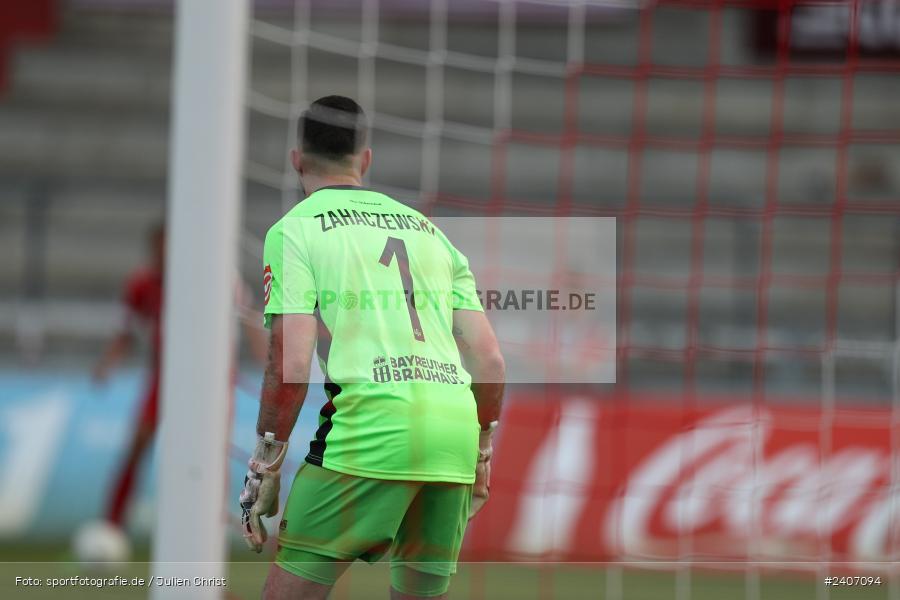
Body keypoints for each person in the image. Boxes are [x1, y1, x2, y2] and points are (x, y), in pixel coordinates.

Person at [239, 95, 505, 600]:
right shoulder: (431, 232)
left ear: (297, 159)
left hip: (368, 431)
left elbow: (290, 363)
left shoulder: (294, 230)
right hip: (451, 436)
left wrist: (264, 466)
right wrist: (482, 450)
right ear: (365, 160)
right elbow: (489, 359)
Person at [93, 224, 267, 530]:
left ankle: (214, 521)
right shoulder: (143, 284)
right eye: (158, 248)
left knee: (215, 449)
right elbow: (126, 330)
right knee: (137, 446)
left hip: (212, 379)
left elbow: (248, 317)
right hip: (164, 377)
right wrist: (108, 362)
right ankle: (112, 523)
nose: (163, 254)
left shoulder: (218, 276)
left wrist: (261, 355)